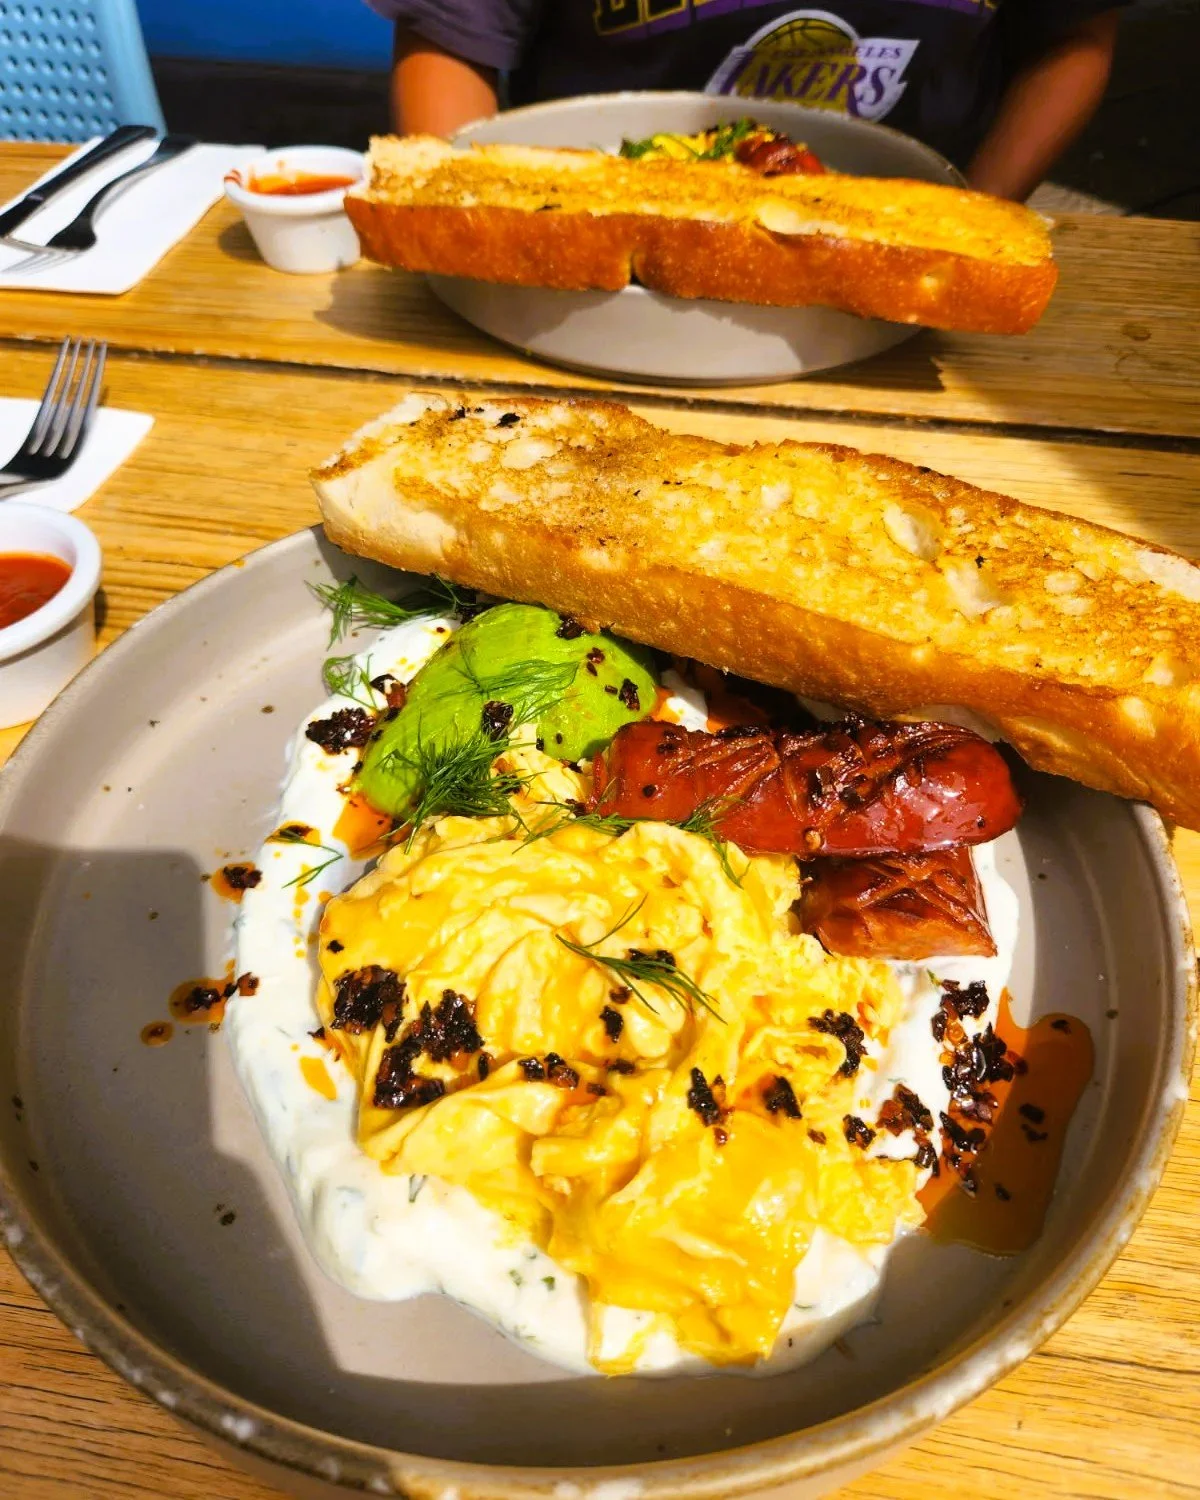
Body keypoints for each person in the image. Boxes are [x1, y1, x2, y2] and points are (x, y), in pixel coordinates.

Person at [367, 1, 1123, 202]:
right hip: (596, 252)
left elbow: (1072, 34)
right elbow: (451, 38)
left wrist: (980, 215)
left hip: (912, 234)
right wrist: (467, 227)